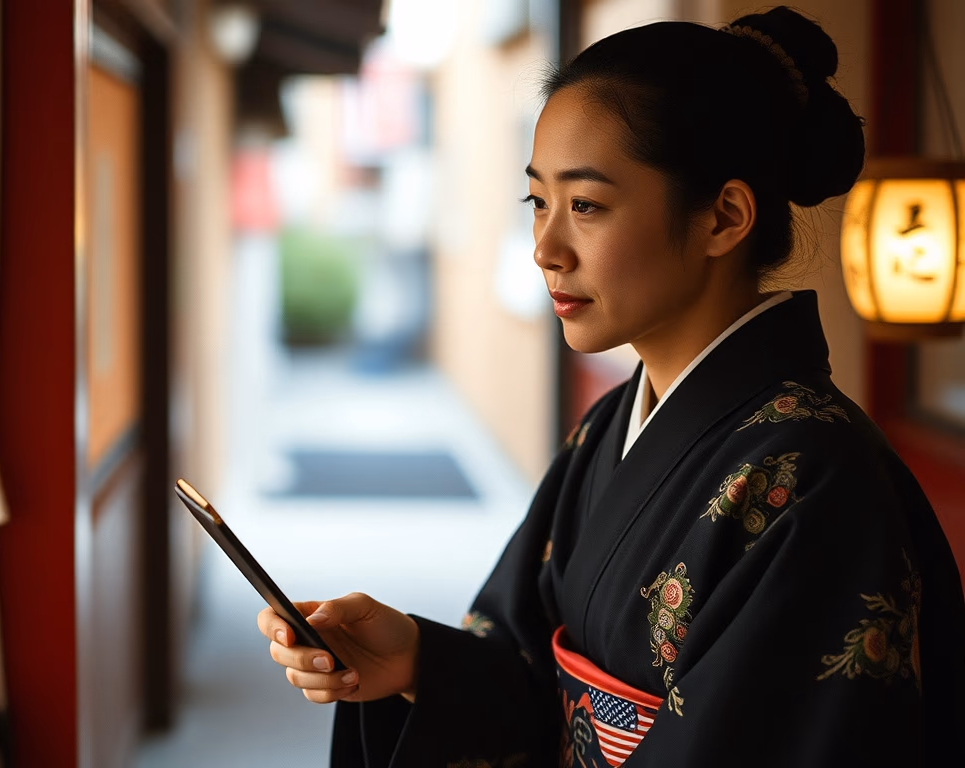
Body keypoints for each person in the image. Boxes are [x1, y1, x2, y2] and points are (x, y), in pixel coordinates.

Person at [256, 7, 965, 767]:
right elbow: (535, 668)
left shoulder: (815, 476)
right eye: (539, 202)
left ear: (724, 217)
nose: (546, 248)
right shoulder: (607, 427)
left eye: (586, 205)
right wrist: (422, 663)